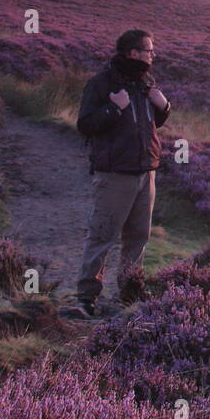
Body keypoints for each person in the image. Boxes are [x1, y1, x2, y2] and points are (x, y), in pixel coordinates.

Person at [74, 29, 170, 315]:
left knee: (138, 236)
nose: (152, 55)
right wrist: (113, 109)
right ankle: (86, 297)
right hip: (115, 174)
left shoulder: (145, 83)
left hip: (146, 171)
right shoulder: (101, 84)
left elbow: (150, 122)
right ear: (132, 53)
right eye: (148, 50)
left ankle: (130, 292)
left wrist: (164, 107)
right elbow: (85, 124)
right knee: (102, 234)